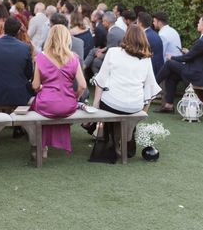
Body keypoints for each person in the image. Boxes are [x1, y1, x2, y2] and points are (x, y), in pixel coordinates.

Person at [89, 25, 161, 163]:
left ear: (126, 37)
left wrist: (96, 105)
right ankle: (125, 141)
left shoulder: (113, 52)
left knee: (109, 102)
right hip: (135, 105)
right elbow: (151, 87)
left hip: (113, 103)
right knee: (121, 109)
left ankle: (114, 144)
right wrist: (143, 111)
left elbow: (101, 80)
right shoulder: (146, 58)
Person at [30, 25, 86, 159]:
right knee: (53, 108)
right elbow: (83, 85)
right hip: (68, 104)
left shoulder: (41, 57)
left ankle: (42, 146)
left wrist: (41, 89)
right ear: (66, 38)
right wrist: (75, 96)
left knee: (37, 107)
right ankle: (48, 144)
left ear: (50, 38)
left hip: (46, 103)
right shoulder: (73, 58)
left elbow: (35, 85)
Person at [155, 15, 203, 113]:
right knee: (172, 75)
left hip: (199, 76)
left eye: (199, 23)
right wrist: (188, 52)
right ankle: (169, 105)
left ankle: (153, 86)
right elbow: (198, 57)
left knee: (169, 64)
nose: (197, 24)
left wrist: (172, 57)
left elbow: (187, 58)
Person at [0, 17, 34, 109]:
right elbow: (29, 74)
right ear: (19, 31)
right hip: (19, 93)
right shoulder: (25, 48)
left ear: (3, 29)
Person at [138, 12, 164, 77]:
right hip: (158, 67)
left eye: (137, 22)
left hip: (152, 70)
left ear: (140, 24)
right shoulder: (154, 33)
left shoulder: (144, 37)